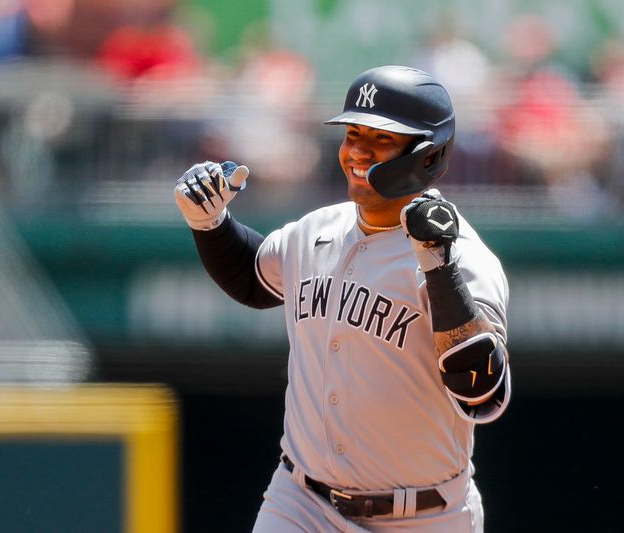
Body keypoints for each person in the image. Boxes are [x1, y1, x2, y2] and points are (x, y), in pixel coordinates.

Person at [174, 65, 511, 532]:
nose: (357, 150)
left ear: (429, 156)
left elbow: (482, 396)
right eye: (353, 132)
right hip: (300, 503)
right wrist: (210, 224)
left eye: (381, 138)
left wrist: (439, 268)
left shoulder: (465, 262)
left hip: (423, 517)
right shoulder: (317, 230)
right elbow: (254, 278)